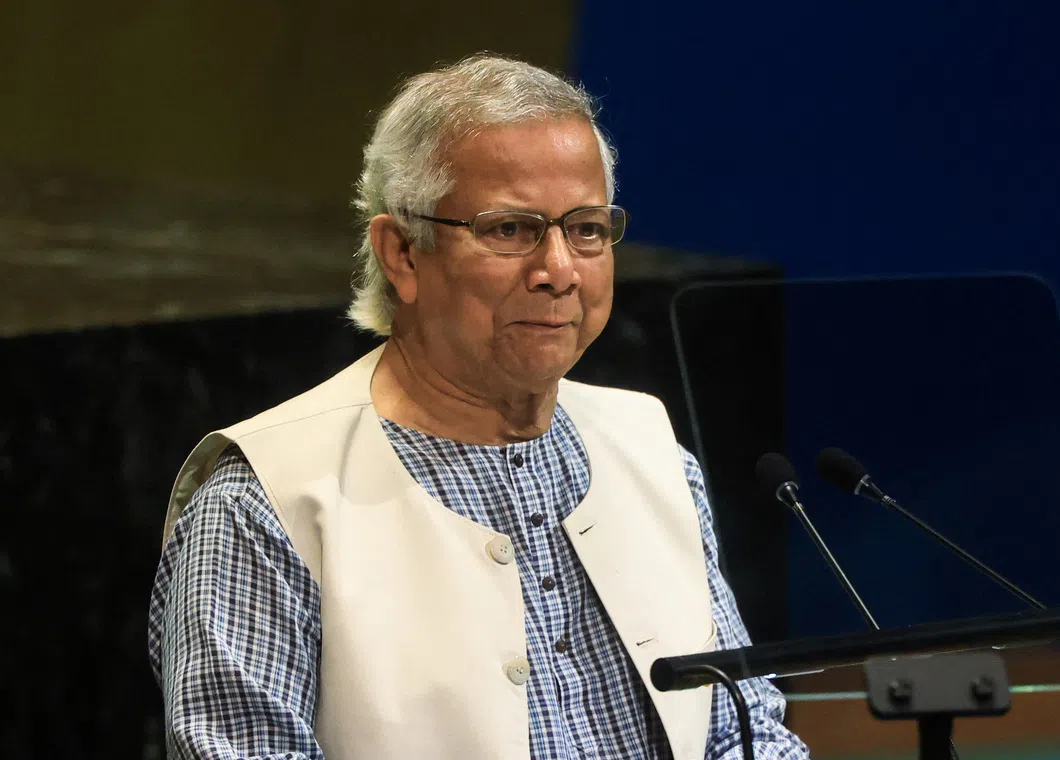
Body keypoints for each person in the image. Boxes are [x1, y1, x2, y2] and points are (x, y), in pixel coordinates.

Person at [148, 54, 811, 760]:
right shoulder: (263, 505)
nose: (559, 270)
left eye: (586, 228)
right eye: (511, 230)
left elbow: (744, 729)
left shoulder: (651, 452)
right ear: (403, 253)